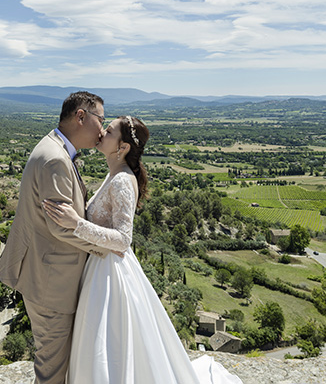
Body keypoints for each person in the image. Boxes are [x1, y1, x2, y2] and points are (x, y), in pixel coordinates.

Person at [43, 116, 242, 384]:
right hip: (100, 267)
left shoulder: (122, 181)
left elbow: (124, 240)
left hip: (110, 273)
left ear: (122, 147)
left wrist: (76, 224)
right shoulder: (113, 174)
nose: (102, 131)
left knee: (107, 340)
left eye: (109, 130)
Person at [0, 91, 113, 384]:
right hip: (50, 284)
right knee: (51, 372)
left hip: (49, 277)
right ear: (81, 117)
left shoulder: (54, 150)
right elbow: (61, 226)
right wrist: (107, 247)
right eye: (102, 120)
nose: (103, 129)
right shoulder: (55, 160)